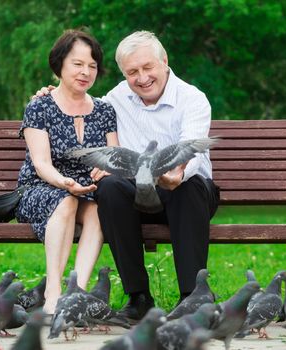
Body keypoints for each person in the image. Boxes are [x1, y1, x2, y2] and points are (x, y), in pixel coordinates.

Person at [35, 31, 219, 321]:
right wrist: (50, 93)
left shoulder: (192, 99)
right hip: (141, 196)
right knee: (109, 187)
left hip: (188, 196)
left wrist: (177, 172)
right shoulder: (117, 98)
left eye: (148, 68)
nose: (142, 78)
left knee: (189, 184)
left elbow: (191, 153)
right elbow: (78, 101)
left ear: (164, 62)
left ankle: (193, 296)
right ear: (124, 73)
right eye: (132, 72)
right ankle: (138, 296)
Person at [16, 29, 118, 314]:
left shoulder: (105, 110)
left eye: (92, 66)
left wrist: (105, 169)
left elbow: (113, 156)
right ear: (59, 64)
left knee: (99, 211)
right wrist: (64, 182)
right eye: (78, 64)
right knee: (66, 200)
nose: (86, 72)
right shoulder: (40, 106)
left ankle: (76, 295)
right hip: (41, 188)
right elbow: (41, 163)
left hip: (87, 191)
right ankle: (53, 294)